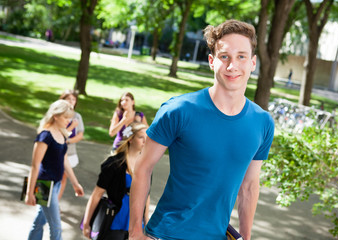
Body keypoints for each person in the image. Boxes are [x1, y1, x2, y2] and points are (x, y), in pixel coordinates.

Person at [129, 19, 275, 240]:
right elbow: (142, 167)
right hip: (165, 234)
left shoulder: (262, 123)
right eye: (224, 56)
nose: (232, 66)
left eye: (241, 57)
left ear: (253, 63)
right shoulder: (179, 110)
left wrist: (245, 237)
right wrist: (135, 233)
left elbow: (249, 186)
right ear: (211, 61)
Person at [25, 99, 84, 240]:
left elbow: (65, 161)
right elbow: (35, 165)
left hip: (56, 185)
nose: (68, 121)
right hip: (44, 185)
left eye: (69, 118)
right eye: (65, 118)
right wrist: (29, 192)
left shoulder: (62, 134)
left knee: (39, 222)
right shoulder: (45, 136)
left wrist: (75, 183)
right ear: (55, 116)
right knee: (56, 227)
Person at [82, 122, 149, 239]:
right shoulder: (114, 164)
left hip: (137, 223)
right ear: (130, 139)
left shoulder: (146, 165)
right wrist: (86, 223)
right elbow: (97, 194)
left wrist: (146, 220)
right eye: (141, 137)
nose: (145, 141)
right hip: (115, 220)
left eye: (147, 137)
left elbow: (146, 195)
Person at [58, 89, 85, 201]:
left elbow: (80, 135)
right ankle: (50, 203)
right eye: (68, 99)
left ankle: (56, 201)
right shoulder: (58, 116)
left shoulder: (77, 116)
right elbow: (58, 135)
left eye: (73, 99)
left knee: (63, 178)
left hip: (69, 152)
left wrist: (68, 142)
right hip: (57, 152)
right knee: (57, 178)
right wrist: (71, 127)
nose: (71, 101)